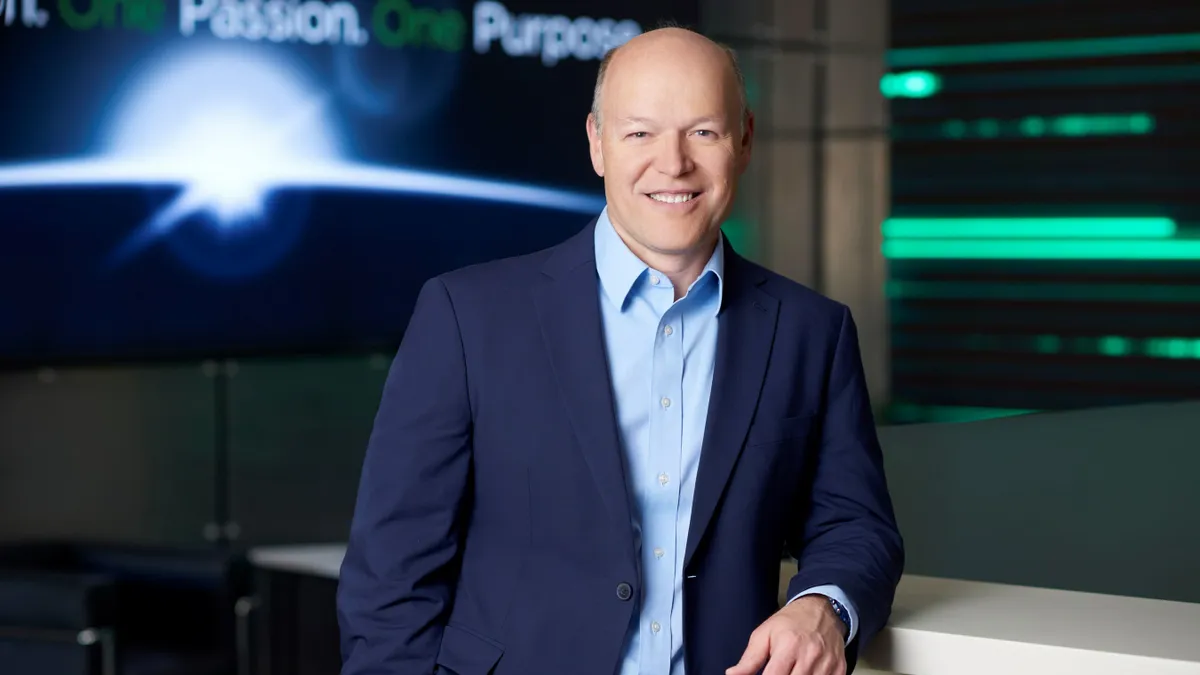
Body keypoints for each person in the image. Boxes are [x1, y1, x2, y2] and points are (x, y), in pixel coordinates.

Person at [337, 26, 904, 675]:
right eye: (640, 132)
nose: (673, 163)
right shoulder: (467, 317)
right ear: (597, 142)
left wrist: (823, 606)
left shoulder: (812, 331)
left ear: (744, 140)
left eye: (703, 132)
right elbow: (391, 577)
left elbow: (857, 526)